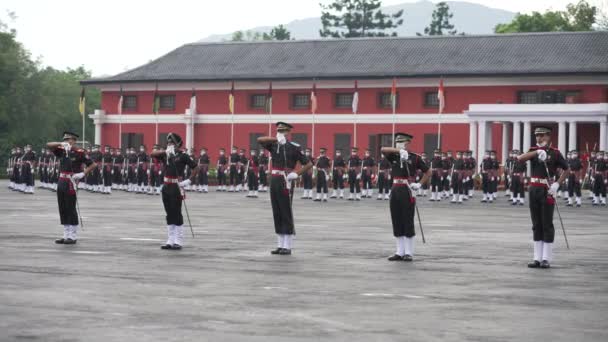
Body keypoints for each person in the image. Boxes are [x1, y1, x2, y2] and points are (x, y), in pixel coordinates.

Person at [517, 126, 569, 269]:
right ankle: (536, 258)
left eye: (542, 136)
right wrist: (537, 152)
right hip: (534, 189)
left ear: (548, 136)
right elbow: (520, 158)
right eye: (537, 136)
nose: (539, 138)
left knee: (547, 223)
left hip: (548, 189)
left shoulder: (555, 153)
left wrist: (557, 184)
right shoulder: (533, 150)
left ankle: (546, 258)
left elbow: (567, 169)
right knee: (536, 224)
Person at [257, 122, 313, 255]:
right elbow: (260, 140)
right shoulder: (273, 145)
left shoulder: (293, 147)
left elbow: (309, 163)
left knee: (286, 211)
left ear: (287, 132)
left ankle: (287, 246)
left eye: (282, 131)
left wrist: (297, 174)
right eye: (278, 131)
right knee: (276, 211)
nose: (279, 133)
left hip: (285, 179)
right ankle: (280, 244)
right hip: (274, 180)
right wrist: (275, 139)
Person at [381, 133, 430, 262]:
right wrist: (399, 150)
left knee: (407, 219)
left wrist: (419, 184)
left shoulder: (415, 158)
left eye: (401, 143)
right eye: (397, 143)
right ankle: (399, 251)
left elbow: (428, 172)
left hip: (407, 190)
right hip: (395, 189)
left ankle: (408, 252)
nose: (398, 144)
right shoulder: (394, 156)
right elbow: (383, 149)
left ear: (407, 143)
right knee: (396, 219)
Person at [150, 133, 200, 250]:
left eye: (171, 143)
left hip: (176, 186)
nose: (169, 144)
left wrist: (189, 180)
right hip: (166, 186)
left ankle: (178, 240)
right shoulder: (165, 154)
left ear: (177, 144)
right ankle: (170, 240)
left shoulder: (183, 156)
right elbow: (152, 154)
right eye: (168, 143)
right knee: (169, 213)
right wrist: (165, 152)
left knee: (177, 212)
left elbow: (196, 167)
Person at [46, 132, 97, 244]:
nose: (67, 142)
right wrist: (61, 144)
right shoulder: (61, 150)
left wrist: (82, 174)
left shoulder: (79, 152)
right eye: (65, 140)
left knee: (70, 207)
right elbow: (48, 145)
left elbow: (93, 165)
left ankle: (72, 236)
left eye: (68, 140)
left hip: (71, 181)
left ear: (74, 140)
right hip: (61, 180)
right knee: (63, 207)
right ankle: (65, 234)